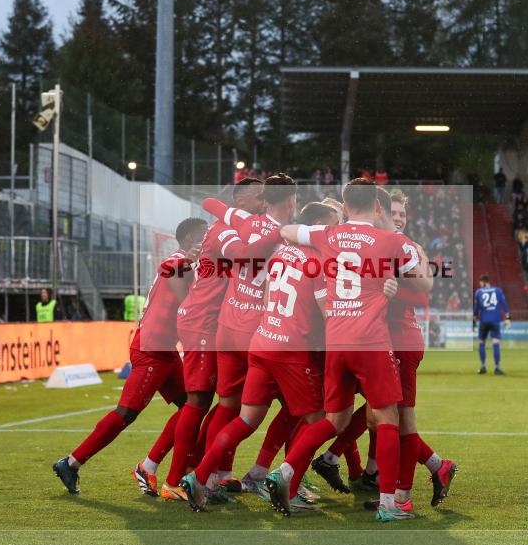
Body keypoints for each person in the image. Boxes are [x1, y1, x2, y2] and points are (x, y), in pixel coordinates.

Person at [266, 179, 426, 521]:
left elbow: (289, 231)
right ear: (379, 208)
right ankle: (387, 506)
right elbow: (423, 278)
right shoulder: (392, 240)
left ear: (345, 205)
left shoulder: (327, 235)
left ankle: (286, 470)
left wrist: (306, 230)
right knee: (387, 417)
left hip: (336, 341)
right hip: (371, 342)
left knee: (335, 419)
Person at [180, 202, 340, 513]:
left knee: (245, 418)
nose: (332, 233)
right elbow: (328, 314)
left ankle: (200, 477)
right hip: (291, 351)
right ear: (316, 225)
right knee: (318, 419)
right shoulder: (316, 261)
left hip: (262, 341)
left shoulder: (280, 254)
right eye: (331, 226)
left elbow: (267, 296)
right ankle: (288, 486)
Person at [52, 217, 208, 496]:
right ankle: (71, 463)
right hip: (150, 351)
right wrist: (188, 257)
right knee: (126, 414)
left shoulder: (189, 266)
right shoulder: (177, 260)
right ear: (187, 240)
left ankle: (150, 466)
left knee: (192, 407)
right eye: (201, 236)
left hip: (165, 350)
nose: (206, 240)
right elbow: (169, 266)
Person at [162, 177, 280, 501]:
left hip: (216, 323)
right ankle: (176, 479)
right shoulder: (226, 232)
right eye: (260, 197)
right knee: (197, 402)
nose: (265, 202)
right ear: (241, 202)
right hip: (203, 323)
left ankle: (215, 472)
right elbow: (245, 254)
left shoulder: (237, 223)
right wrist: (280, 231)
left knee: (225, 403)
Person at [474, 274, 510, 375]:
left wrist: (474, 320)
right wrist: (508, 318)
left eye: (480, 283)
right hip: (495, 320)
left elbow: (476, 308)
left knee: (481, 342)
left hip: (484, 320)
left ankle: (483, 366)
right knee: (496, 343)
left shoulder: (478, 292)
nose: (480, 285)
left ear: (484, 282)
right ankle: (497, 367)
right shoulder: (498, 290)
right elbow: (505, 305)